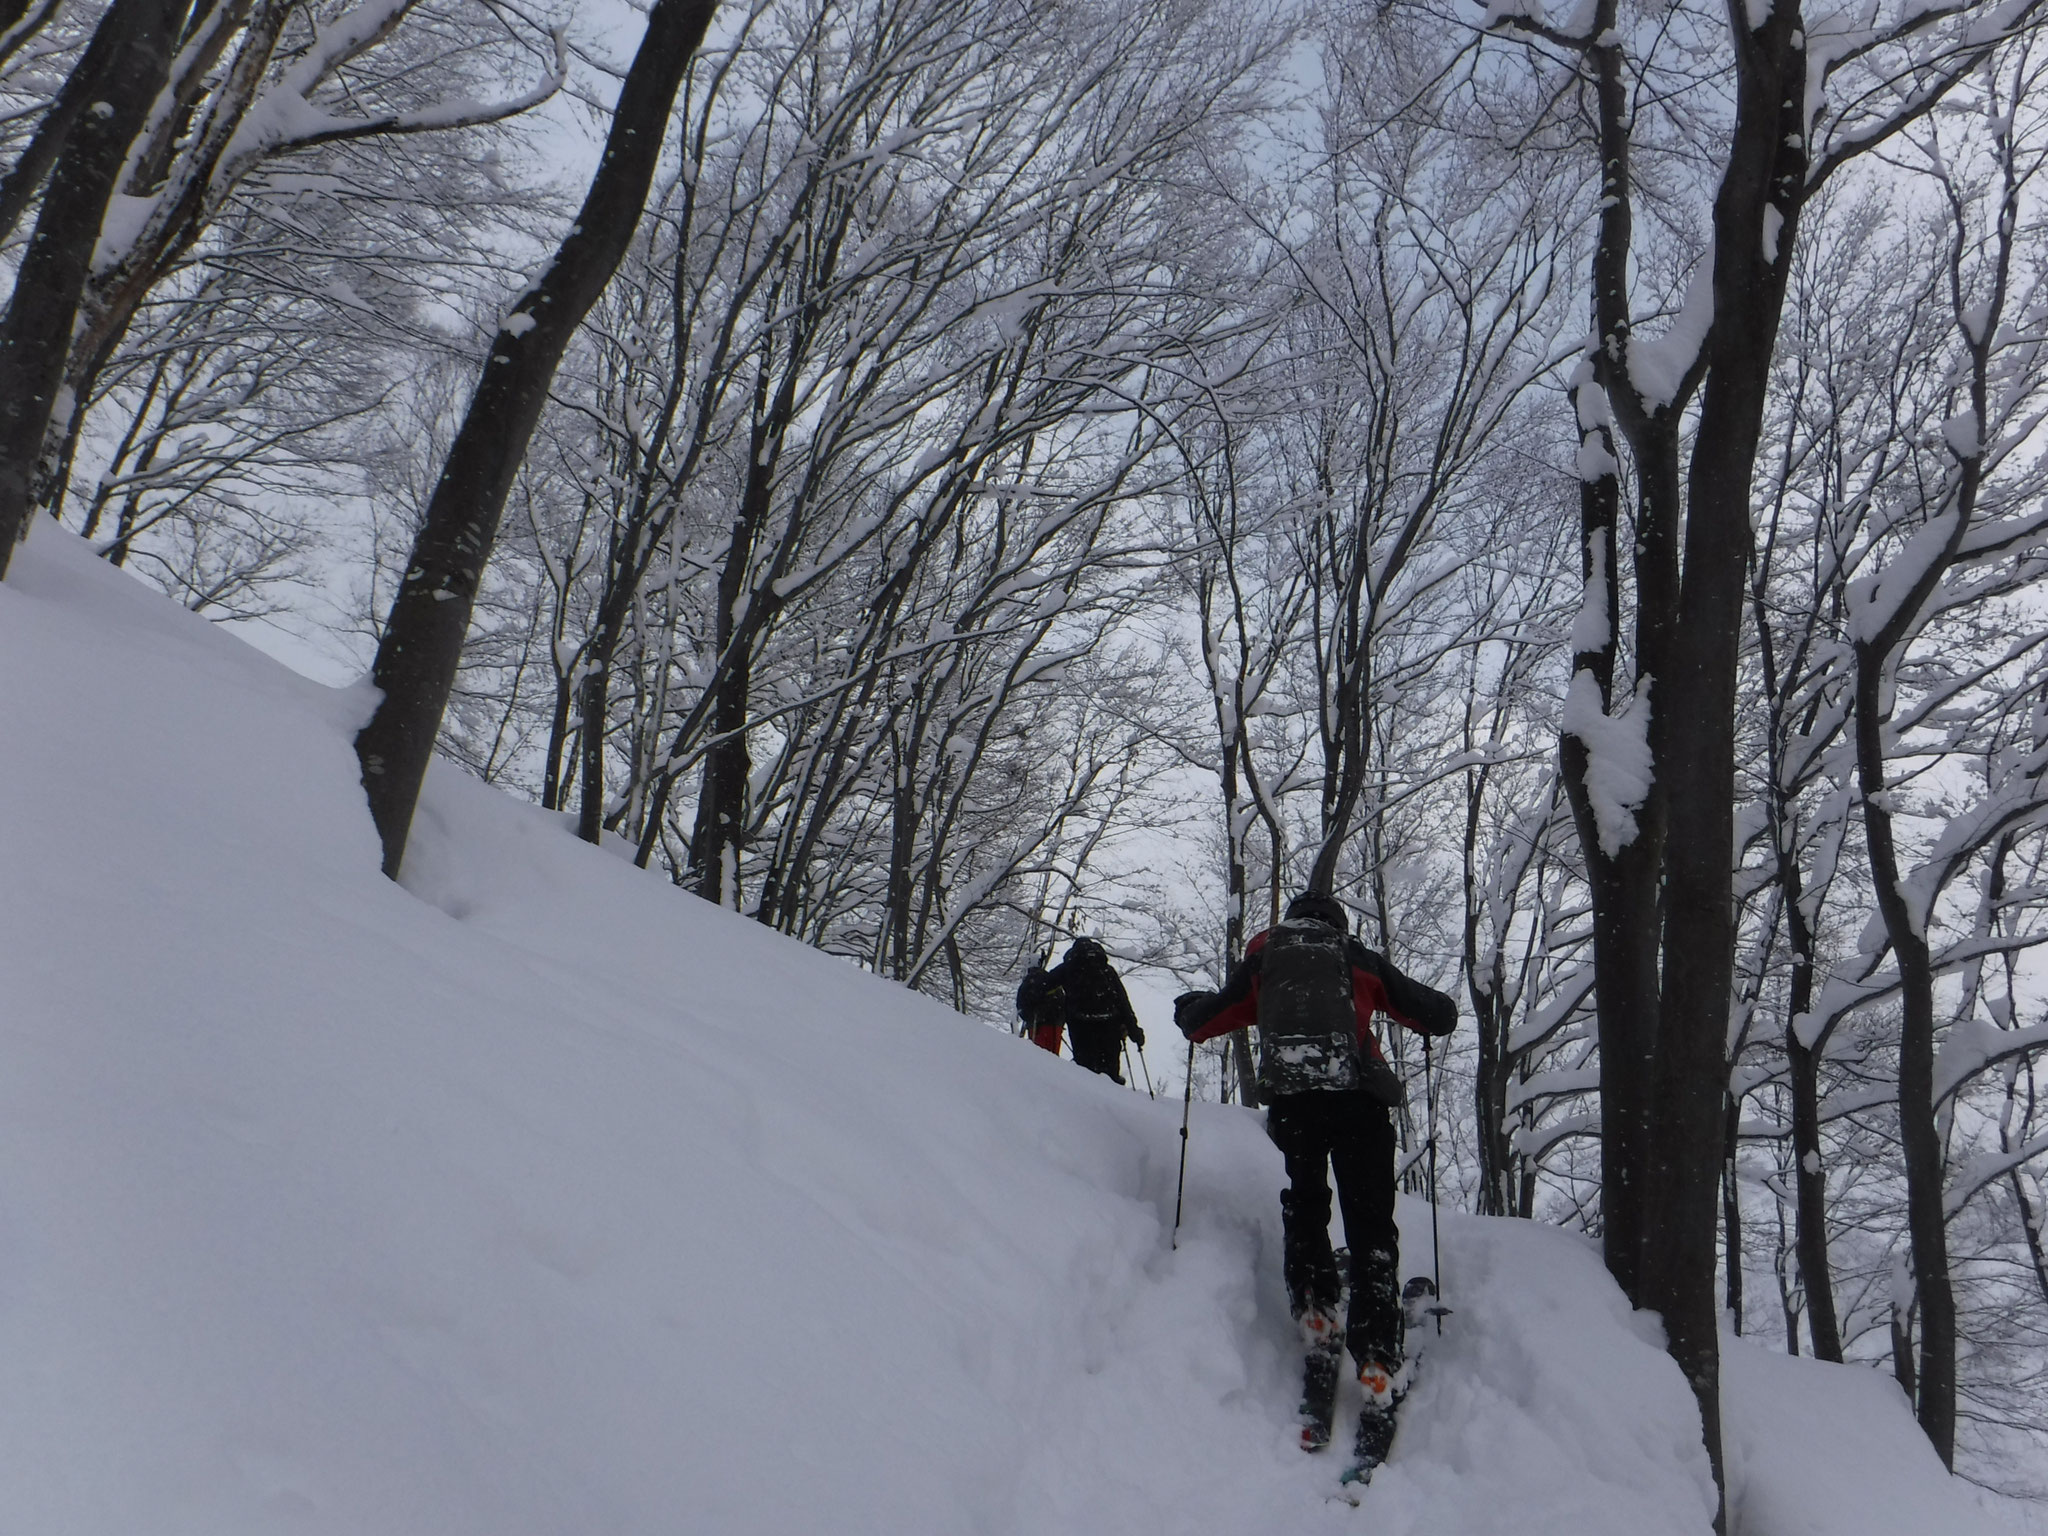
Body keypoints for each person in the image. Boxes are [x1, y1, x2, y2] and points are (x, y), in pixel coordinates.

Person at [1174, 891, 1455, 1466]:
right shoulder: (1355, 959)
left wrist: (1187, 1008)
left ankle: (1316, 1312)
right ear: (1337, 926)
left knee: (1306, 1206)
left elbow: (1204, 1022)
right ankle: (1377, 1358)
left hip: (1296, 1110)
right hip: (1359, 1106)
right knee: (1371, 1224)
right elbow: (1436, 1014)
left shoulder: (1264, 962)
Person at [1043, 937, 1144, 1082]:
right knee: (1110, 1074)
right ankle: (1112, 1097)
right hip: (1109, 1025)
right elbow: (1123, 1001)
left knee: (1085, 1074)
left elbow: (1044, 984)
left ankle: (1086, 1101)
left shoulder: (1068, 968)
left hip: (1081, 1027)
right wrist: (1135, 1031)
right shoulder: (1107, 970)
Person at [1015, 956, 1065, 1056]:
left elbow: (1021, 1005)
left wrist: (1031, 1016)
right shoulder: (1050, 979)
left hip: (1037, 1026)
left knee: (1039, 1055)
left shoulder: (1029, 982)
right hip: (1055, 1025)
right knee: (1053, 1057)